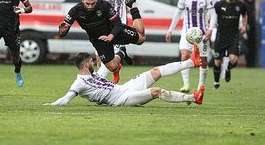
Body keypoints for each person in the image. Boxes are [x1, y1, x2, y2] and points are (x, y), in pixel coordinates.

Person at [43, 47, 204, 107]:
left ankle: (192, 61)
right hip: (122, 100)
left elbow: (111, 63)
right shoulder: (79, 83)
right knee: (156, 91)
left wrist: (120, 51)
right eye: (92, 61)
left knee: (155, 71)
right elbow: (65, 99)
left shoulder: (96, 74)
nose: (94, 62)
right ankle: (193, 98)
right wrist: (51, 104)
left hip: (124, 88)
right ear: (86, 64)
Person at [59, 0, 145, 78]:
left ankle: (132, 6)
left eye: (93, 3)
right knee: (113, 67)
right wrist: (62, 31)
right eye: (87, 3)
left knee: (141, 39)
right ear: (82, 0)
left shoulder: (104, 5)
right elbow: (62, 34)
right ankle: (121, 52)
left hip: (114, 31)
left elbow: (118, 24)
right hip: (99, 40)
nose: (90, 6)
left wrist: (111, 36)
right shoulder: (75, 11)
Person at [166, 0, 217, 93]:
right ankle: (186, 84)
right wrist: (170, 30)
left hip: (202, 34)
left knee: (203, 60)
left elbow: (214, 15)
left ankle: (201, 86)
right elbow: (177, 14)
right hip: (187, 32)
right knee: (184, 55)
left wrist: (210, 29)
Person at [95, 0, 134, 83]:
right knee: (100, 63)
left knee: (106, 65)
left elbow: (132, 3)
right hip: (103, 30)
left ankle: (96, 85)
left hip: (118, 30)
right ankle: (117, 67)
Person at [213, 0, 247, 89]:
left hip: (234, 36)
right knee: (218, 61)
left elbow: (245, 15)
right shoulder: (219, 5)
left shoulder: (240, 5)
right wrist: (212, 22)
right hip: (221, 36)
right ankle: (216, 82)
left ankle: (228, 69)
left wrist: (244, 26)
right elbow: (211, 14)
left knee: (233, 60)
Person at [209, 0, 239, 77]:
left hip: (230, 27)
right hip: (216, 25)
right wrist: (212, 21)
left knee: (229, 50)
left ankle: (225, 68)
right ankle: (217, 62)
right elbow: (210, 9)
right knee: (215, 45)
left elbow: (237, 10)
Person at [242, 0, 257, 68]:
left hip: (254, 29)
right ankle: (249, 63)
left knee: (253, 46)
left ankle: (253, 63)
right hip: (247, 29)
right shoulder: (244, 5)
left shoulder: (253, 5)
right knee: (247, 47)